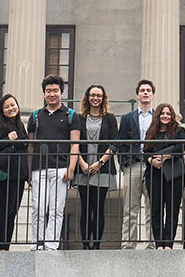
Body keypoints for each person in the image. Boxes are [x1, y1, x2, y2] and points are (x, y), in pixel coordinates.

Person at [27, 74, 80, 250]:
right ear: (44, 94)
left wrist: (71, 168)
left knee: (57, 209)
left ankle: (51, 245)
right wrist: (28, 172)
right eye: (48, 91)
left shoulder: (71, 115)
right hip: (38, 169)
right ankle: (37, 244)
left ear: (62, 93)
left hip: (61, 168)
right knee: (38, 209)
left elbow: (75, 145)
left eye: (55, 90)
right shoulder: (35, 116)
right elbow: (30, 147)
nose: (52, 94)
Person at [75, 84, 119, 249]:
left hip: (103, 169)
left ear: (103, 98)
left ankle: (96, 245)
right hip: (83, 168)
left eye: (98, 95)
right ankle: (86, 244)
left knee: (99, 208)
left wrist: (99, 163)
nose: (95, 98)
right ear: (87, 97)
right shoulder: (79, 118)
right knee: (85, 208)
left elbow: (114, 143)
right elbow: (75, 143)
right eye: (92, 95)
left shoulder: (110, 118)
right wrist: (82, 163)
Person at [0, 94, 30, 250]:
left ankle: (7, 245)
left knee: (12, 212)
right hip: (6, 175)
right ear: (2, 111)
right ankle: (0, 246)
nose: (11, 109)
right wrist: (7, 139)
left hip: (19, 175)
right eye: (7, 107)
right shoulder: (0, 127)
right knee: (3, 211)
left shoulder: (20, 125)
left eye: (13, 105)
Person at [117, 78, 157, 248]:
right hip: (133, 165)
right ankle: (128, 245)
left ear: (153, 95)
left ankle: (151, 245)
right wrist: (124, 164)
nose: (145, 93)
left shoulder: (159, 116)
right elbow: (121, 143)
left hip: (153, 167)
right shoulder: (127, 118)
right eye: (142, 91)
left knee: (152, 209)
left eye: (148, 90)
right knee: (130, 209)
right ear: (137, 95)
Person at [143, 102, 185, 248]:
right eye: (162, 113)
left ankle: (169, 244)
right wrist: (151, 160)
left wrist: (165, 156)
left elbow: (181, 147)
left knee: (172, 210)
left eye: (168, 114)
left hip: (175, 175)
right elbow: (145, 152)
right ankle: (159, 244)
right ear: (158, 115)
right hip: (154, 174)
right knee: (156, 210)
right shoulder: (151, 132)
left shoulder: (179, 130)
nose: (165, 116)